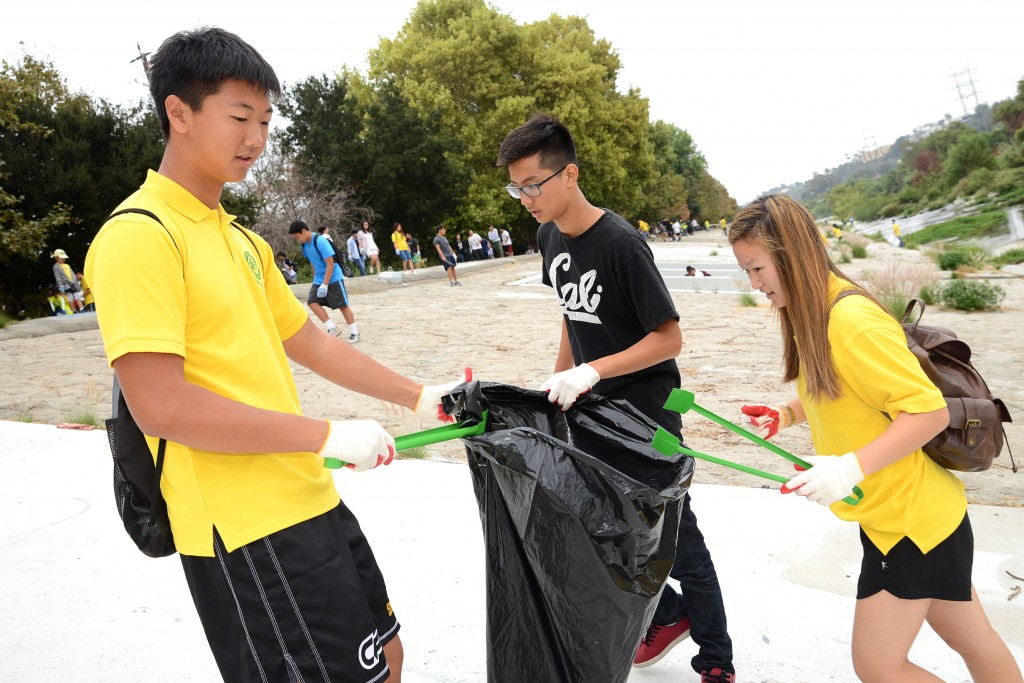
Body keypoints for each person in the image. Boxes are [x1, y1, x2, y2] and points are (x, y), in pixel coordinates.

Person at [84, 27, 466, 683]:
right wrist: (326, 433)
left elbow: (309, 341)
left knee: (389, 656)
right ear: (178, 112)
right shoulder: (139, 237)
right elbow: (161, 406)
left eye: (264, 119)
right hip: (244, 528)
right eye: (239, 117)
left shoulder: (238, 241)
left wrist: (417, 394)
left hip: (306, 494)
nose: (257, 138)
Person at [730, 194, 1022, 683]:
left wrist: (846, 469)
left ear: (791, 256)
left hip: (908, 524)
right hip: (913, 514)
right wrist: (787, 414)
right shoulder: (815, 312)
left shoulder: (850, 321)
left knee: (879, 667)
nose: (754, 284)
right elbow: (849, 390)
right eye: (748, 272)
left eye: (758, 269)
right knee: (975, 640)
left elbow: (927, 412)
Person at [497, 113, 735, 683]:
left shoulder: (622, 244)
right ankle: (669, 614)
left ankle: (717, 661)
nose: (525, 197)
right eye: (516, 186)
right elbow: (570, 315)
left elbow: (668, 337)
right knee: (605, 532)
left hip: (645, 416)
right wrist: (557, 384)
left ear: (569, 174)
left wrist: (593, 371)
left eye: (533, 184)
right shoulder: (548, 236)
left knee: (678, 540)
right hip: (589, 412)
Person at [289, 221, 361, 340]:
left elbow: (330, 264)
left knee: (342, 305)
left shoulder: (320, 241)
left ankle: (355, 333)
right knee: (312, 302)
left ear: (303, 231)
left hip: (333, 277)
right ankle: (332, 327)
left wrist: (325, 284)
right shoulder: (304, 245)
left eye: (297, 236)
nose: (297, 239)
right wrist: (316, 278)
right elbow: (312, 261)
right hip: (319, 278)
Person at [51, 248, 84, 313]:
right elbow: (58, 277)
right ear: (56, 258)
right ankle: (74, 310)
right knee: (70, 297)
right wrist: (60, 285)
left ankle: (81, 308)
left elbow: (72, 274)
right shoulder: (56, 267)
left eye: (64, 258)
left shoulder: (67, 265)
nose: (63, 259)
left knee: (77, 295)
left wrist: (75, 282)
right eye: (61, 258)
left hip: (73, 283)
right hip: (65, 284)